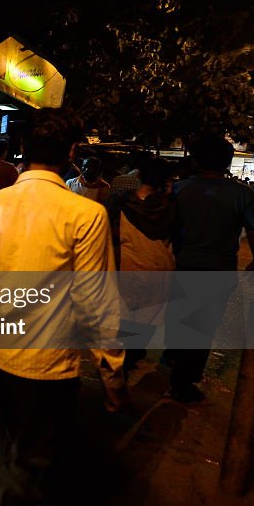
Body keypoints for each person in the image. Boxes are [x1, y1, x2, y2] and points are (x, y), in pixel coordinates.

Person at [0, 108, 127, 506]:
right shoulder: (85, 214)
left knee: (12, 455)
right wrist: (112, 371)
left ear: (23, 149)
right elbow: (96, 300)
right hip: (48, 366)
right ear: (73, 153)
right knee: (29, 466)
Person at [166, 135, 254, 403]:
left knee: (179, 315)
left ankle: (174, 358)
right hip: (219, 269)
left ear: (196, 160)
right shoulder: (242, 194)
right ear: (228, 161)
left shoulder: (177, 190)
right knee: (202, 327)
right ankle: (183, 381)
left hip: (182, 264)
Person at [107, 156, 176, 371]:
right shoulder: (172, 206)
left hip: (126, 269)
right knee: (145, 323)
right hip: (160, 272)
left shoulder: (119, 202)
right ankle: (133, 355)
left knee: (122, 326)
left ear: (137, 174)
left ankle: (121, 372)